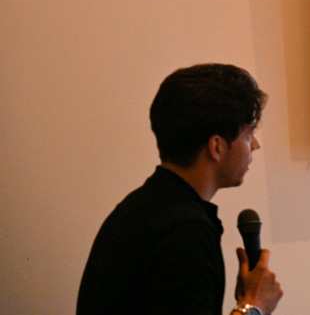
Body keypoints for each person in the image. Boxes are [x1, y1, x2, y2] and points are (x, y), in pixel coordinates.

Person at [77, 64, 284, 315]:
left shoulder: (134, 209)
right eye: (249, 135)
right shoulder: (186, 232)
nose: (256, 145)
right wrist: (253, 307)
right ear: (217, 147)